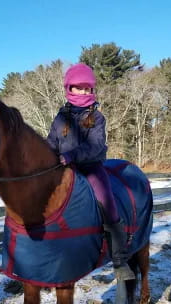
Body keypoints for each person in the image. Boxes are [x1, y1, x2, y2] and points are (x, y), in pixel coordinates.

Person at [46, 63, 135, 281]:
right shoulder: (60, 117)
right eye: (80, 88)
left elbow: (96, 146)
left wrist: (71, 156)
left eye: (89, 88)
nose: (85, 92)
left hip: (91, 168)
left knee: (107, 204)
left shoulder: (97, 117)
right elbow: (51, 142)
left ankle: (120, 259)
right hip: (63, 169)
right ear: (70, 88)